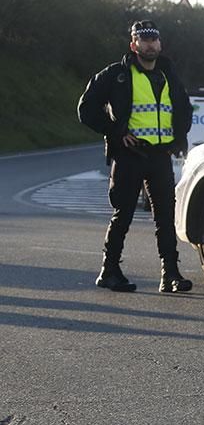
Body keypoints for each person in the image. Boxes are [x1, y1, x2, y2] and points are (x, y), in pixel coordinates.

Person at [77, 20, 193, 293]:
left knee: (165, 215)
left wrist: (178, 138)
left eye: (154, 40)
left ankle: (171, 273)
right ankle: (109, 270)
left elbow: (183, 108)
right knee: (124, 213)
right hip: (129, 155)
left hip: (159, 156)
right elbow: (86, 109)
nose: (150, 44)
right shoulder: (117, 74)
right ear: (134, 45)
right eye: (144, 40)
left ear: (160, 44)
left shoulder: (168, 75)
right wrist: (116, 133)